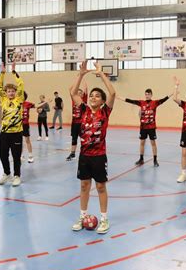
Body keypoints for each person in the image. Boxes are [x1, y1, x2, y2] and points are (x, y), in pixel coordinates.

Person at [71, 60, 116, 234]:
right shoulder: (83, 110)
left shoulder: (105, 111)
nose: (93, 97)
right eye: (92, 95)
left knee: (100, 187)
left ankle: (104, 219)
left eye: (97, 96)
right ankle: (83, 216)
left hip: (99, 155)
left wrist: (101, 73)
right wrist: (81, 74)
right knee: (84, 186)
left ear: (103, 101)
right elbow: (73, 92)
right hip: (84, 156)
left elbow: (113, 92)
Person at [118, 89, 171, 167]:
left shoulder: (155, 103)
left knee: (153, 143)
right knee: (142, 143)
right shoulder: (141, 103)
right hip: (143, 127)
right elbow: (130, 101)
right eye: (146, 94)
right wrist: (119, 97)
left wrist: (172, 93)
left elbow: (163, 99)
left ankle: (155, 160)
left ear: (151, 95)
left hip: (151, 127)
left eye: (149, 94)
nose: (147, 95)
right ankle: (141, 159)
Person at [0, 61, 24, 187]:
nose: (11, 93)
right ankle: (7, 173)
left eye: (13, 91)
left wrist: (13, 71)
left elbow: (21, 84)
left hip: (16, 133)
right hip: (4, 133)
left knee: (16, 156)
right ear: (6, 93)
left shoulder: (19, 99)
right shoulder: (3, 100)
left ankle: (17, 175)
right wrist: (2, 73)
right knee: (3, 155)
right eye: (9, 91)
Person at [66, 80, 88, 161]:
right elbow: (70, 89)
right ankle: (72, 153)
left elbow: (86, 88)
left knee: (84, 139)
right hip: (74, 123)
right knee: (74, 138)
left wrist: (83, 78)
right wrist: (78, 77)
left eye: (80, 93)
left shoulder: (84, 100)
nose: (78, 94)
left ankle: (85, 153)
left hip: (82, 123)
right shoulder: (73, 101)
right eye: (77, 93)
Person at [22, 92, 35, 163]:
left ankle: (30, 156)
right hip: (18, 125)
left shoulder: (27, 104)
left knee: (27, 140)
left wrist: (45, 102)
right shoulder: (15, 103)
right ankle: (21, 155)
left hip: (25, 125)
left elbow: (37, 106)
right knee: (19, 141)